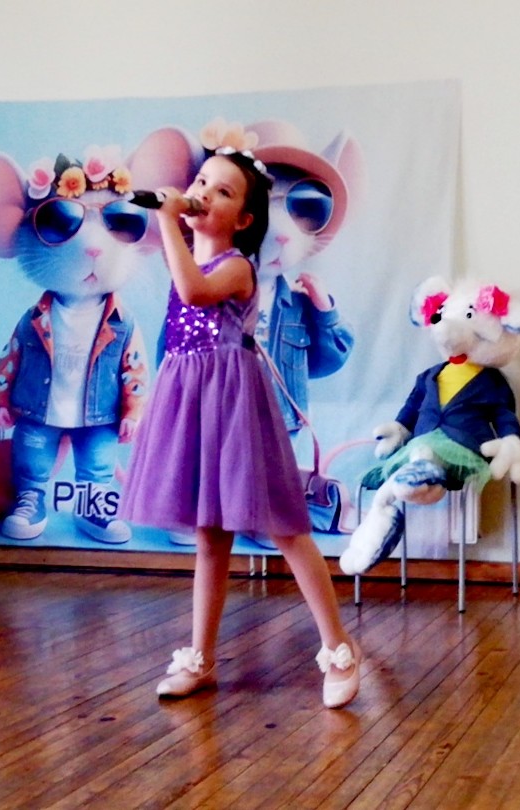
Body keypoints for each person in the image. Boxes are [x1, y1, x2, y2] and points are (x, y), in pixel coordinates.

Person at [120, 147, 360, 708]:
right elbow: (184, 295)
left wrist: (167, 221)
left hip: (232, 403)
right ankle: (200, 658)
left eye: (223, 191)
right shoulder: (188, 256)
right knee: (209, 534)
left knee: (285, 525)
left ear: (244, 219)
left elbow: (193, 292)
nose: (203, 192)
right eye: (201, 181)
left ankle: (339, 647)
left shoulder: (237, 267)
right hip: (190, 397)